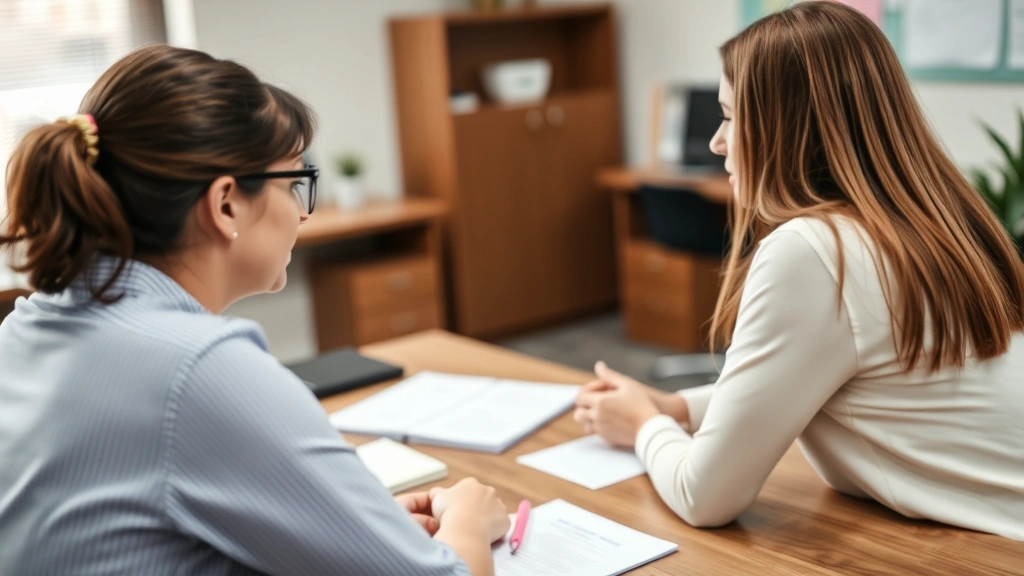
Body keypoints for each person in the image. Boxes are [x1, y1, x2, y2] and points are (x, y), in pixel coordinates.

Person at [0, 45, 509, 575]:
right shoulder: (199, 369)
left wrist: (358, 534)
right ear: (225, 205)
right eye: (293, 184)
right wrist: (468, 523)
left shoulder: (26, 327)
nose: (301, 214)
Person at [574, 2, 1024, 541]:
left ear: (785, 128)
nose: (718, 142)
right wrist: (677, 407)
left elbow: (705, 496)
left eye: (729, 116)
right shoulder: (929, 220)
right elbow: (828, 375)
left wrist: (645, 427)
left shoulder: (813, 249)